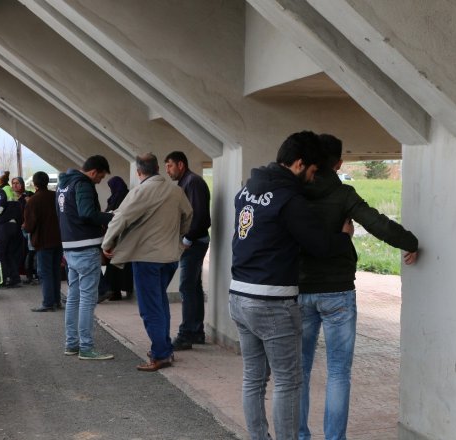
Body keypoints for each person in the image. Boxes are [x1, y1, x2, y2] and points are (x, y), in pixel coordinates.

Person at [229, 131, 354, 440]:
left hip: (239, 294)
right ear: (299, 164)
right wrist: (344, 236)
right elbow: (319, 245)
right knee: (288, 381)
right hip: (272, 301)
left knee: (253, 379)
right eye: (312, 171)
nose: (313, 178)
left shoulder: (247, 189)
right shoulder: (290, 199)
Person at [297, 134, 419, 440]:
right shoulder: (344, 194)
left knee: (298, 372)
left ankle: (298, 436)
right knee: (338, 373)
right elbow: (377, 223)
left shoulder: (295, 192)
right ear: (339, 163)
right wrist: (410, 243)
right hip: (337, 291)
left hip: (298, 289)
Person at [102, 153, 192, 372]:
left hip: (146, 258)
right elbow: (188, 215)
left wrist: (107, 244)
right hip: (170, 257)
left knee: (150, 308)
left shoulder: (141, 191)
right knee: (160, 303)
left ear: (139, 172)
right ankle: (165, 348)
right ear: (158, 168)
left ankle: (161, 354)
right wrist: (177, 240)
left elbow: (121, 218)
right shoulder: (176, 190)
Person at [57, 156, 115, 360]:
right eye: (100, 177)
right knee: (88, 300)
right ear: (94, 171)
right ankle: (86, 348)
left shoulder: (63, 185)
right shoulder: (83, 184)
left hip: (69, 247)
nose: (99, 181)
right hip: (85, 248)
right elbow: (87, 213)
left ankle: (71, 344)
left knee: (73, 298)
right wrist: (112, 216)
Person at [164, 151, 211, 351]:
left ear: (181, 165)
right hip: (192, 242)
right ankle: (196, 331)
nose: (168, 170)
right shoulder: (186, 183)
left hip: (194, 243)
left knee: (186, 287)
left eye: (170, 166)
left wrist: (187, 239)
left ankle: (187, 334)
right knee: (193, 286)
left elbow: (200, 217)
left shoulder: (193, 182)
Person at [23, 171, 64, 312]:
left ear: (34, 184)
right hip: (58, 239)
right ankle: (57, 301)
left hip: (43, 241)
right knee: (55, 271)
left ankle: (47, 303)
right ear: (47, 182)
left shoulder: (33, 200)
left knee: (45, 272)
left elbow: (29, 226)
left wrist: (24, 226)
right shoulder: (56, 196)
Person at [100, 176, 133, 301]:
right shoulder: (123, 196)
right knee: (116, 265)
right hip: (119, 236)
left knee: (115, 265)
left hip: (118, 236)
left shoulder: (120, 198)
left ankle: (115, 291)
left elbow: (118, 216)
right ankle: (116, 291)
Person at [0, 170, 23, 288]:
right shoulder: (11, 191)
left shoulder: (2, 191)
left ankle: (0, 280)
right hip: (13, 226)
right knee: (9, 254)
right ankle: (15, 278)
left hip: (3, 227)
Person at [12, 176, 37, 285]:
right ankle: (16, 274)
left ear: (22, 184)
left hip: (28, 228)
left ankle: (30, 275)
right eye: (13, 183)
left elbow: (37, 209)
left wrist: (30, 201)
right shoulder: (10, 197)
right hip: (15, 228)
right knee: (17, 252)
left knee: (29, 252)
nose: (15, 185)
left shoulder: (29, 195)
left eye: (17, 183)